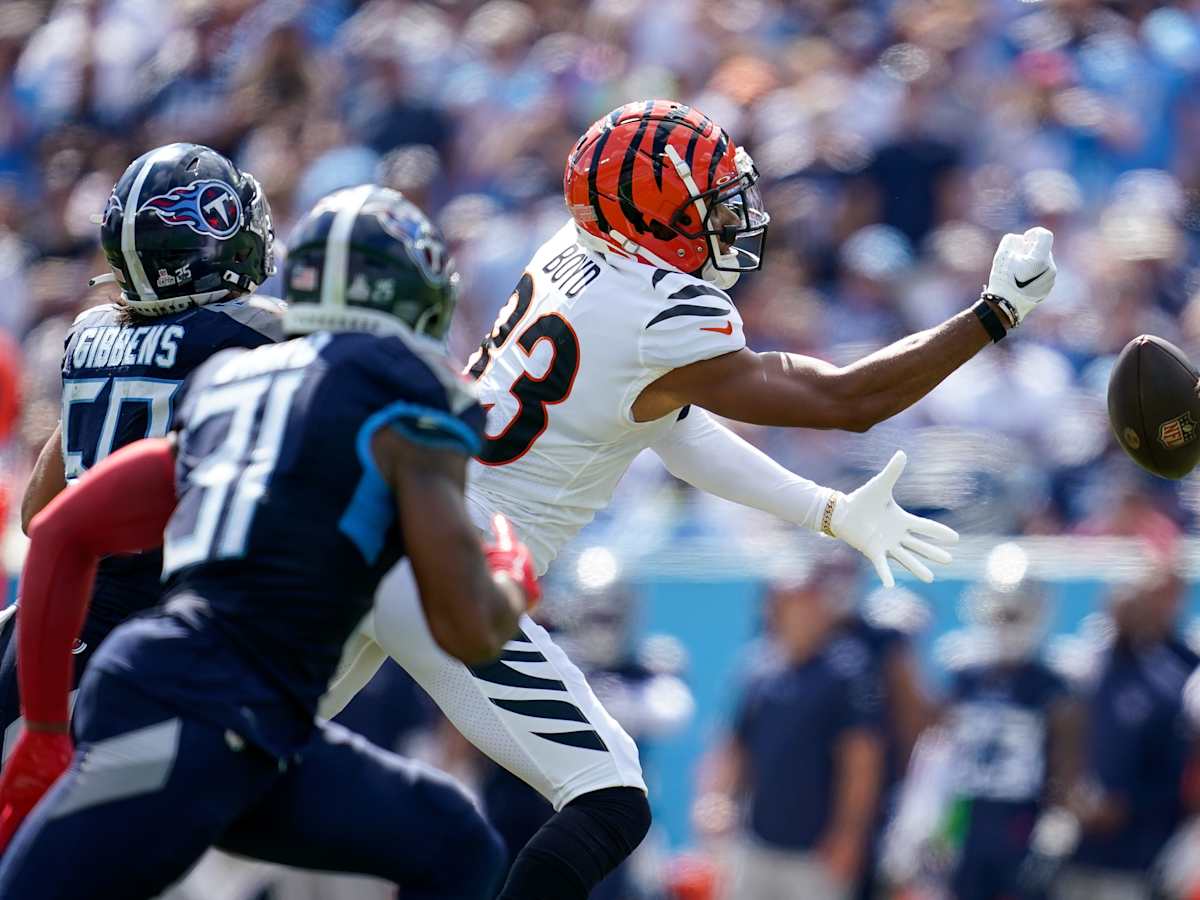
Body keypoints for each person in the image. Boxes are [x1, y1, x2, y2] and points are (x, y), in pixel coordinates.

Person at [321, 98, 1058, 900]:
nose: (732, 218)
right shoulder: (664, 312)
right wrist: (994, 314)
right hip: (454, 572)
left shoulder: (574, 249)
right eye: (709, 200)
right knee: (608, 798)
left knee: (244, 747)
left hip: (394, 525)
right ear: (649, 208)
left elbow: (668, 426)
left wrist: (826, 509)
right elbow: (850, 400)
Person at [0, 185, 537, 899]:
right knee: (458, 847)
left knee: (453, 839)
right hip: (193, 715)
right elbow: (469, 629)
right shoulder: (403, 392)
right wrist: (513, 574)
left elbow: (61, 524)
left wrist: (41, 726)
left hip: (230, 717)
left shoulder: (226, 379)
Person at [3, 142, 284, 760]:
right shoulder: (257, 331)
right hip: (150, 629)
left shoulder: (87, 335)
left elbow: (37, 516)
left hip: (50, 617)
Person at [700, 553, 887, 900]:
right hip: (756, 844)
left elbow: (861, 761)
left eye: (808, 602)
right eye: (789, 603)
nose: (799, 612)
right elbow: (733, 747)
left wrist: (849, 836)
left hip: (815, 853)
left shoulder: (848, 671)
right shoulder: (758, 669)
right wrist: (714, 801)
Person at [1056, 569, 1198, 900]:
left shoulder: (1172, 676)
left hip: (1142, 843)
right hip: (1082, 842)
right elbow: (1067, 732)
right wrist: (1067, 795)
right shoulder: (1088, 667)